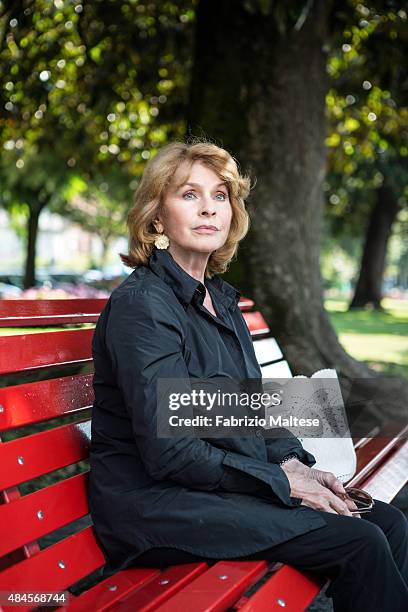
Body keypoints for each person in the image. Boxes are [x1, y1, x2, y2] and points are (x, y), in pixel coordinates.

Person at [88, 139, 408, 611]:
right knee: (359, 542)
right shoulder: (143, 306)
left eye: (220, 196)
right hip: (156, 506)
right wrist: (282, 484)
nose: (209, 209)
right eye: (189, 194)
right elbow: (169, 451)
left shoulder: (219, 299)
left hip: (208, 489)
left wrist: (300, 467)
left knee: (389, 523)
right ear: (157, 216)